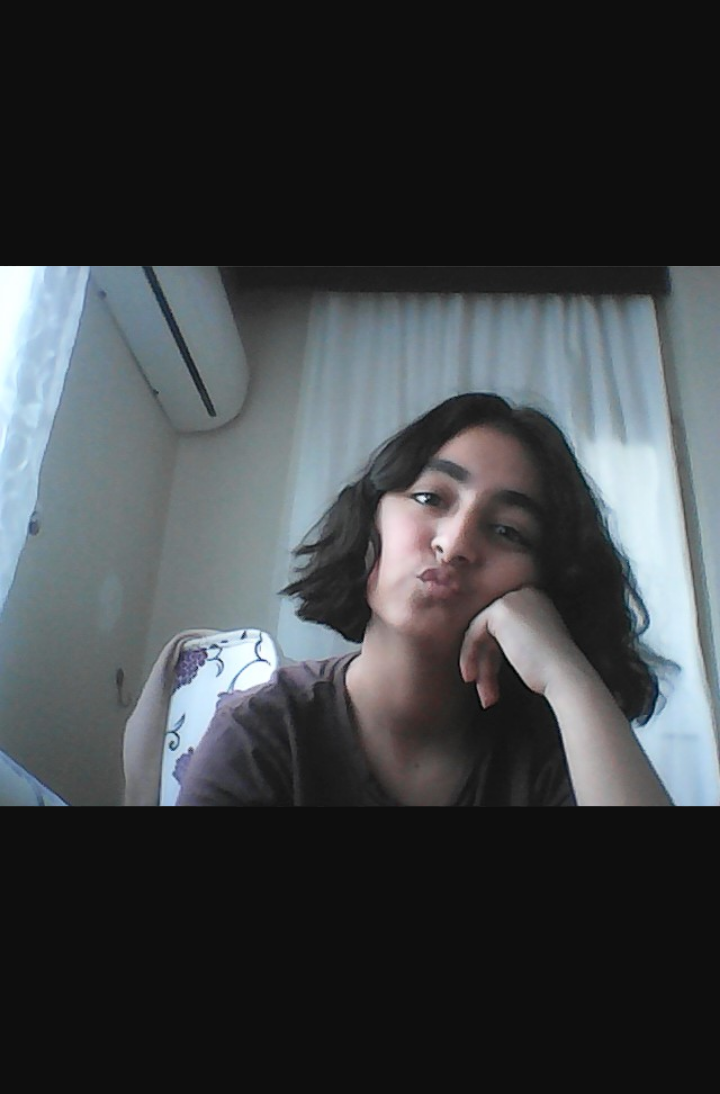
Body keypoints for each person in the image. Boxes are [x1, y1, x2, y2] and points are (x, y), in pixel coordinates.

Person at [177, 393, 673, 807]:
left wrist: (567, 675)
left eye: (507, 530)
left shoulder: (552, 750)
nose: (454, 545)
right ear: (371, 521)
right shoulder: (264, 734)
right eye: (429, 498)